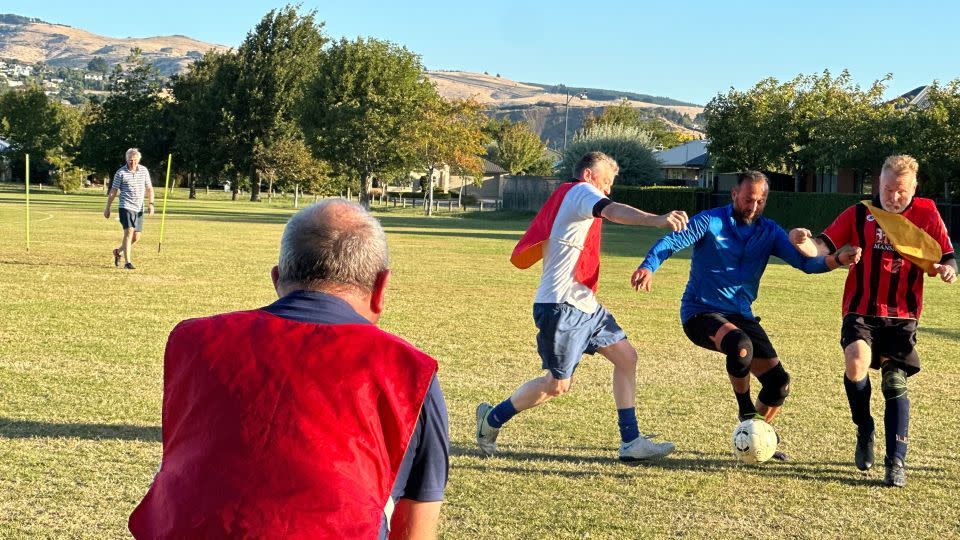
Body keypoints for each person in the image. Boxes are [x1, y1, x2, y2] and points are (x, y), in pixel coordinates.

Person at [128, 200, 450, 539]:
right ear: (381, 287)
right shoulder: (409, 373)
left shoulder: (192, 341)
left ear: (277, 279)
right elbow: (416, 525)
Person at [475, 151, 689, 463]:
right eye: (606, 181)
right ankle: (492, 419)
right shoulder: (580, 191)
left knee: (627, 357)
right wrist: (655, 220)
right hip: (561, 307)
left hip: (586, 306)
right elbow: (613, 210)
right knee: (558, 385)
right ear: (589, 175)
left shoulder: (575, 196)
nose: (608, 189)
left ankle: (631, 442)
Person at [632, 171, 860, 460]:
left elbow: (807, 263)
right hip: (701, 312)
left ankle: (755, 437)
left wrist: (838, 259)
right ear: (734, 195)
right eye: (749, 199)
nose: (754, 206)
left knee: (779, 384)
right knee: (741, 347)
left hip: (742, 314)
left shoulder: (770, 231)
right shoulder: (710, 220)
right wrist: (649, 265)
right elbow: (670, 242)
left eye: (761, 200)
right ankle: (746, 413)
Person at [789, 155, 956, 487]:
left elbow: (947, 255)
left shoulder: (926, 212)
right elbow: (821, 246)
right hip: (860, 308)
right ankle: (864, 427)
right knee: (855, 363)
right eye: (886, 189)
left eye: (901, 192)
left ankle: (895, 461)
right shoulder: (859, 212)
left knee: (894, 382)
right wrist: (800, 240)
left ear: (914, 189)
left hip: (902, 315)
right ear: (877, 183)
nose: (892, 198)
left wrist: (950, 269)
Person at [103, 148, 154, 270]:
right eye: (131, 160)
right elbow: (113, 191)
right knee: (129, 231)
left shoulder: (144, 171)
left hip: (139, 207)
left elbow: (149, 188)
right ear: (127, 159)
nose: (133, 162)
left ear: (139, 160)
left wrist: (151, 204)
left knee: (136, 237)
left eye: (135, 160)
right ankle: (128, 262)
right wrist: (107, 208)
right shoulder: (120, 173)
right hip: (125, 206)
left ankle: (118, 251)